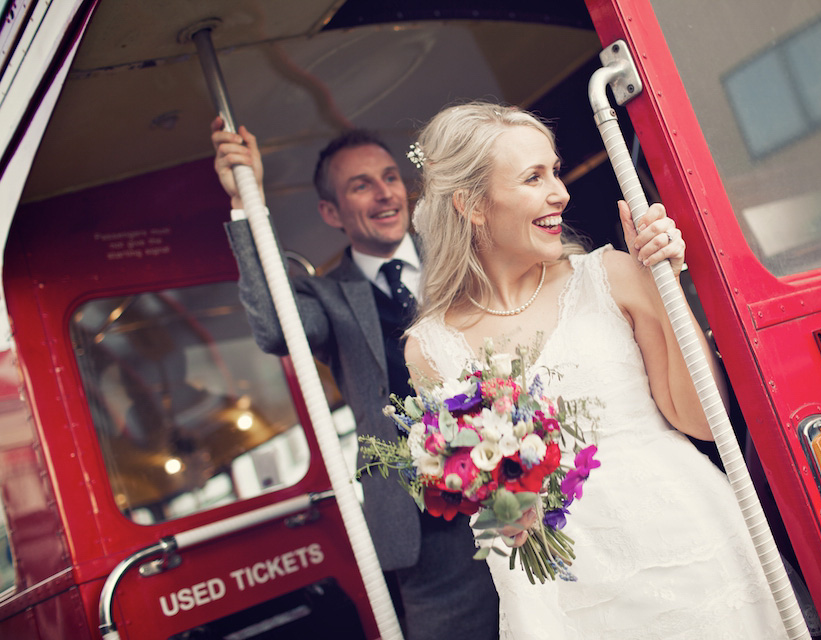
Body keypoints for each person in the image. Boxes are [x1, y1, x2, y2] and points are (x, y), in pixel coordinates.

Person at [403, 102, 790, 639]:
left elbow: (703, 422)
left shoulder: (613, 275)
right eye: (533, 177)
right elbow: (478, 500)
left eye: (555, 171)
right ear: (473, 205)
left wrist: (665, 285)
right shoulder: (430, 348)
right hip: (564, 593)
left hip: (688, 554)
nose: (559, 191)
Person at [210, 117, 499, 640]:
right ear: (330, 212)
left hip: (516, 493)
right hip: (426, 536)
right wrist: (243, 202)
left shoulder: (460, 254)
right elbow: (278, 330)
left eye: (389, 177)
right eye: (360, 186)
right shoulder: (327, 297)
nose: (384, 194)